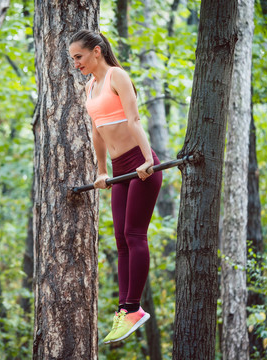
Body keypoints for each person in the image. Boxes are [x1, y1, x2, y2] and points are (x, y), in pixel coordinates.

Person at [69, 30, 163, 344]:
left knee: (134, 234)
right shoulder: (91, 86)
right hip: (119, 169)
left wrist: (148, 158)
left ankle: (134, 308)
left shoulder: (116, 76)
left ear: (96, 51)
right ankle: (124, 311)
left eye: (79, 57)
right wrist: (100, 169)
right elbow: (97, 133)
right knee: (120, 240)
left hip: (140, 163)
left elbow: (134, 119)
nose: (76, 63)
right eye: (73, 59)